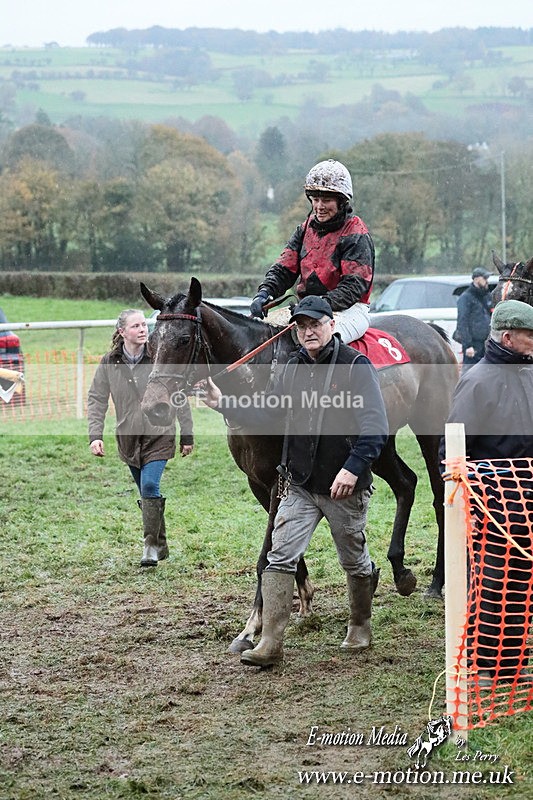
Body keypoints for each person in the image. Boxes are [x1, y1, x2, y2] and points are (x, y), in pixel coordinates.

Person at [204, 295, 388, 667]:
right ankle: (270, 643)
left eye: (315, 325)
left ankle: (360, 624)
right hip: (299, 485)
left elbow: (376, 427)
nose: (308, 332)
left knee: (353, 559)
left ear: (331, 325)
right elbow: (269, 414)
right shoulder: (289, 367)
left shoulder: (357, 367)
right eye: (301, 327)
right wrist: (223, 403)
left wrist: (352, 468)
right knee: (280, 556)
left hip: (343, 486)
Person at [442, 299, 533, 686]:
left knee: (524, 583)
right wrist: (473, 503)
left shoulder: (528, 372)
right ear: (509, 337)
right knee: (495, 585)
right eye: (531, 335)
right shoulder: (478, 380)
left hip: (529, 500)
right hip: (495, 506)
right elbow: (453, 449)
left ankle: (513, 664)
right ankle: (487, 667)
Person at [87, 309, 194, 567]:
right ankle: (162, 543)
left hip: (160, 435)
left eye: (144, 325)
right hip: (128, 439)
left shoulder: (159, 358)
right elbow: (97, 399)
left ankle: (149, 546)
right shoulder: (109, 362)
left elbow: (178, 395)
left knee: (148, 487)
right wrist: (95, 435)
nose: (143, 329)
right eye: (136, 326)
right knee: (148, 494)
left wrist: (187, 434)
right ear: (122, 332)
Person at [250, 159, 375, 344]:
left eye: (326, 200)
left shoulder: (356, 233)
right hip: (306, 309)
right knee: (258, 333)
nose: (319, 207)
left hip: (349, 311)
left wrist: (316, 306)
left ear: (342, 202)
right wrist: (264, 293)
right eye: (315, 200)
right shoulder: (304, 229)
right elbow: (284, 270)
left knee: (319, 341)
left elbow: (353, 288)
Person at [455, 267, 492, 370]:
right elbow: (462, 323)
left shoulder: (486, 295)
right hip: (473, 345)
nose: (487, 281)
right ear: (476, 279)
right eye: (484, 278)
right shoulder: (465, 298)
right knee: (470, 375)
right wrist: (468, 346)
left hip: (486, 344)